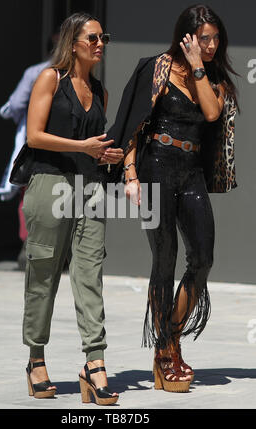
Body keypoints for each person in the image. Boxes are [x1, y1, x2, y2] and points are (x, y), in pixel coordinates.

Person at [107, 4, 239, 393]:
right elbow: (132, 124)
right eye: (204, 39)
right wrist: (129, 175)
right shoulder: (155, 68)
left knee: (202, 257)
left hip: (191, 170)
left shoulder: (211, 77)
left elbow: (212, 114)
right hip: (155, 169)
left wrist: (199, 65)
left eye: (216, 38)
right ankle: (167, 352)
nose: (212, 45)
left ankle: (170, 336)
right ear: (186, 36)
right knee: (163, 258)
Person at [23, 12, 123, 404]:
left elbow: (94, 147)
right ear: (74, 41)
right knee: (43, 273)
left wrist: (106, 156)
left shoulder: (101, 92)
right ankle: (36, 360)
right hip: (50, 184)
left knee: (90, 275)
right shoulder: (51, 79)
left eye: (104, 38)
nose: (100, 44)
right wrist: (83, 147)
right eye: (93, 38)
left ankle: (94, 364)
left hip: (90, 188)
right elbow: (34, 135)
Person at [0, 34, 59, 270]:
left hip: (36, 146)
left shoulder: (37, 73)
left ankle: (30, 245)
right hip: (64, 146)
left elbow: (13, 105)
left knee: (30, 193)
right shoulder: (77, 75)